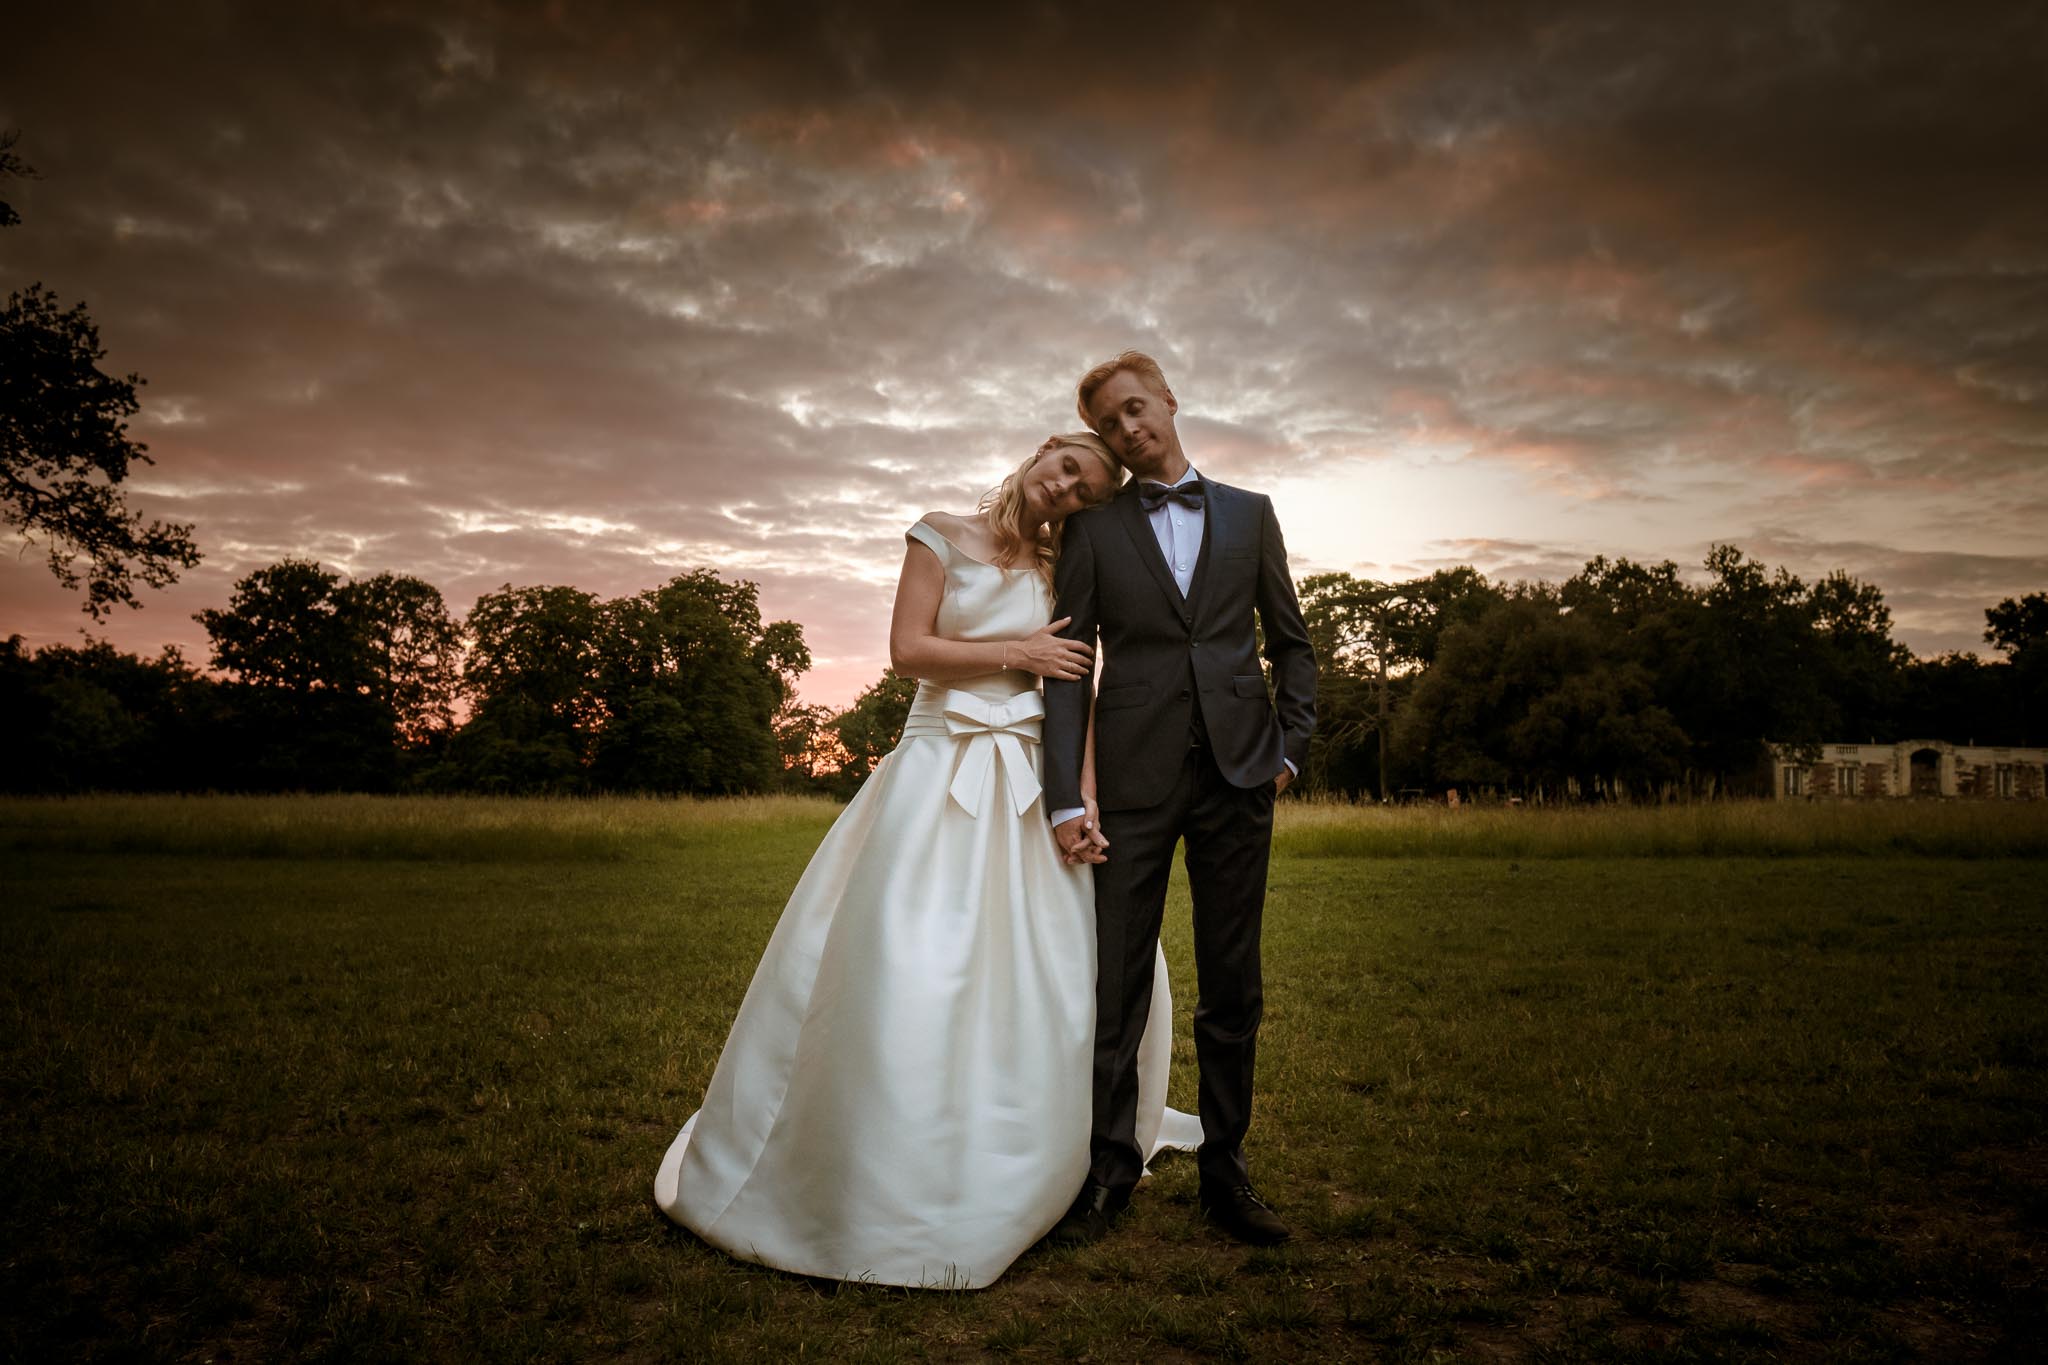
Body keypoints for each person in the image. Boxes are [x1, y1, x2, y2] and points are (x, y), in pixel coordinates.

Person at [654, 431, 1200, 1289]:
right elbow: (908, 650)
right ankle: (891, 1144)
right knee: (908, 957)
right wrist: (1016, 652)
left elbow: (1076, 695)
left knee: (1057, 967)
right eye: (1067, 470)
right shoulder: (939, 534)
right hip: (935, 768)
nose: (1066, 491)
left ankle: (1038, 1147)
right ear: (1044, 451)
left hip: (1028, 780)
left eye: (1087, 492)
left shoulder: (1070, 565)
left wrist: (1082, 799)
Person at [1043, 352, 1317, 1247]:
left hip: (1242, 775)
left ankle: (1227, 1174)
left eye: (1136, 408)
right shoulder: (1094, 530)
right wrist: (1062, 794)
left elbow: (1292, 642)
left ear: (1168, 401)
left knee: (1232, 984)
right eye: (1111, 421)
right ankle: (1108, 1173)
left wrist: (1291, 746)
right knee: (1116, 981)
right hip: (1131, 781)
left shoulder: (1251, 514)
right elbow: (1069, 668)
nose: (1128, 428)